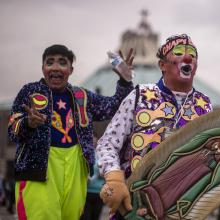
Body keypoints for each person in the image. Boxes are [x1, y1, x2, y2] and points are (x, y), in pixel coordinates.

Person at [96, 34, 220, 219]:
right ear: (162, 65)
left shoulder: (204, 105)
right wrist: (114, 178)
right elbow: (108, 143)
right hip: (131, 206)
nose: (187, 57)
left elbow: (217, 161)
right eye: (178, 52)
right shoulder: (140, 95)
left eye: (192, 54)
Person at [8, 44, 134, 220]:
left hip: (76, 168)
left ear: (70, 69)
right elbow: (12, 130)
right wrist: (28, 123)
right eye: (50, 62)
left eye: (62, 62)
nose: (56, 67)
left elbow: (115, 107)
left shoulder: (81, 96)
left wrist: (125, 81)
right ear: (43, 68)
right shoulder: (30, 91)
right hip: (38, 170)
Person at [80, 133, 105, 220]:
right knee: (85, 217)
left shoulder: (103, 154)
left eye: (95, 139)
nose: (93, 141)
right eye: (91, 139)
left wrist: (103, 175)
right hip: (86, 192)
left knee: (96, 217)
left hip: (99, 193)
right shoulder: (84, 153)